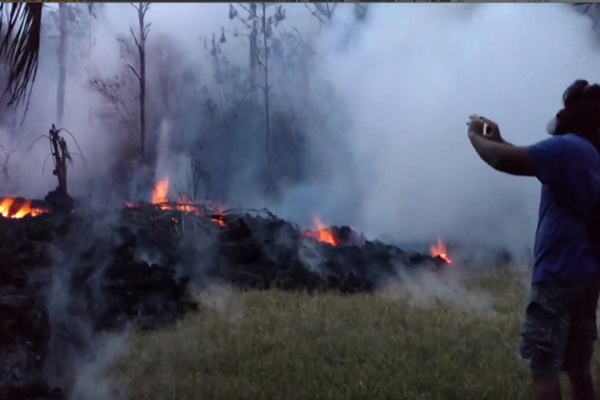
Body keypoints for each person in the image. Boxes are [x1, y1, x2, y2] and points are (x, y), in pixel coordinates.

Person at [467, 79, 600, 400]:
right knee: (578, 368)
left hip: (557, 275)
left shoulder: (568, 147)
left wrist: (475, 137)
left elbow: (500, 160)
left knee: (544, 369)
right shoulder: (589, 153)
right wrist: (500, 139)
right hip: (587, 275)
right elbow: (534, 159)